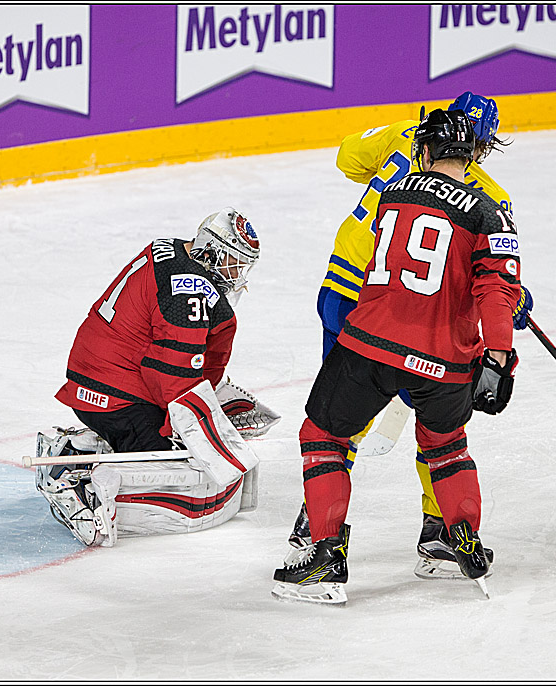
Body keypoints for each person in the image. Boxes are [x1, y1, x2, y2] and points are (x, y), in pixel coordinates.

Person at [272, 108, 522, 604]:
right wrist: (499, 357)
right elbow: (494, 289)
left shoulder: (394, 188)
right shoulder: (492, 207)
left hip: (370, 337)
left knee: (325, 434)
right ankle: (456, 540)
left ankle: (323, 551)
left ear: (423, 149)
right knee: (447, 445)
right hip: (447, 356)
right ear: (474, 152)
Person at [36, 208, 278, 547]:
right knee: (182, 474)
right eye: (233, 263)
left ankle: (79, 447)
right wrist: (198, 434)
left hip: (99, 374)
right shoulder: (189, 292)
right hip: (115, 393)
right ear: (211, 250)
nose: (237, 275)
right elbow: (171, 378)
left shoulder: (173, 250)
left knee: (174, 444)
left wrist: (209, 400)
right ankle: (80, 490)